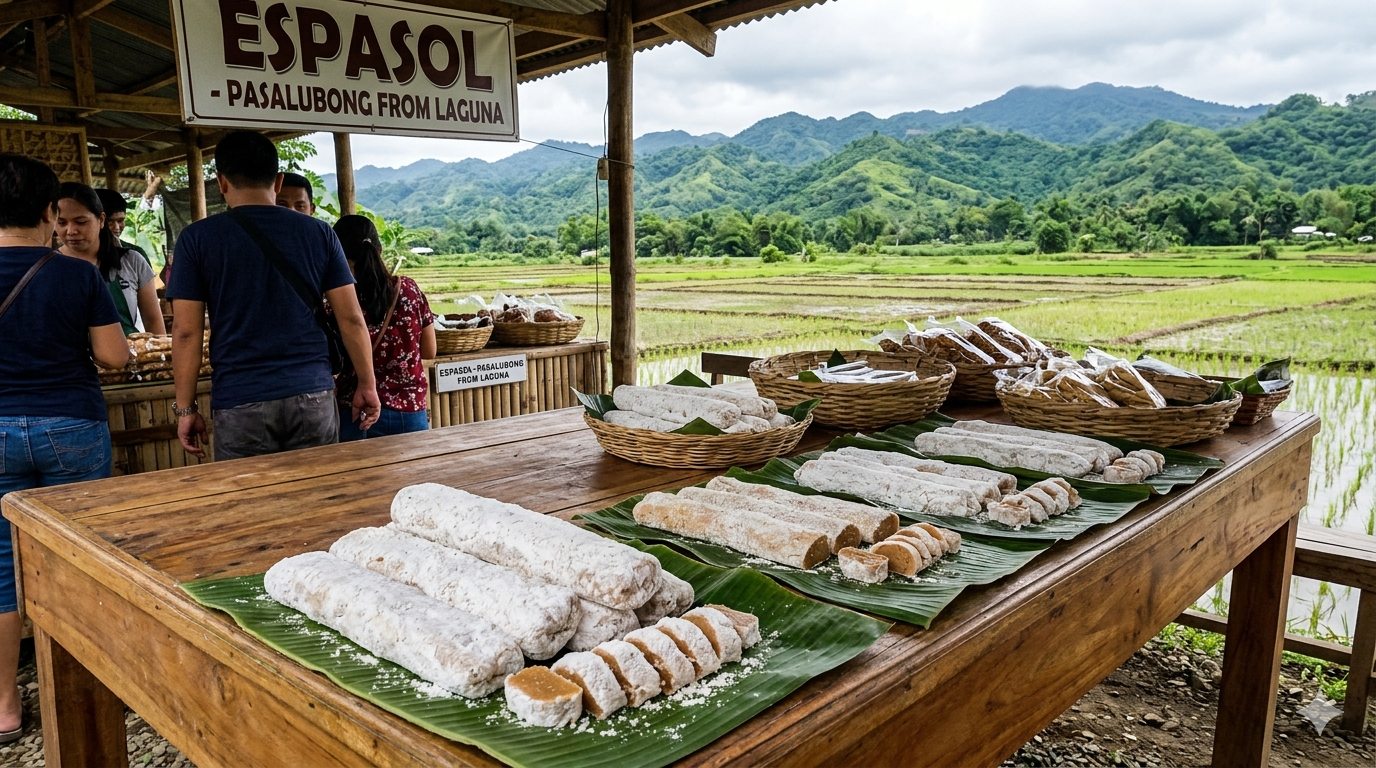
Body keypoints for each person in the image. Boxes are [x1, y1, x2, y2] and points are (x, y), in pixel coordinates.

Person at [0, 154, 130, 743]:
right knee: (83, 559)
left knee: (2, 570)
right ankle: (103, 686)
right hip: (71, 425)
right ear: (51, 213)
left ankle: (4, 707)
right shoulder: (77, 274)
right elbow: (114, 356)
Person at [167, 131, 380, 460]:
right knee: (319, 498)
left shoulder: (197, 239)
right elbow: (351, 318)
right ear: (278, 181)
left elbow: (185, 332)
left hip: (240, 399)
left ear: (221, 182)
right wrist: (367, 384)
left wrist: (185, 410)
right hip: (312, 392)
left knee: (251, 504)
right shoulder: (319, 232)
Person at [332, 215, 437, 440]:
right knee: (414, 475)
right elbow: (429, 350)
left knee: (358, 476)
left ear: (335, 254)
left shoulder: (337, 300)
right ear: (379, 250)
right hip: (410, 410)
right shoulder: (409, 290)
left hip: (357, 411)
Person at [57, 183, 166, 335]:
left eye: (80, 222)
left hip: (132, 353)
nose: (71, 231)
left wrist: (161, 355)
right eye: (61, 222)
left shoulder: (132, 260)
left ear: (101, 220)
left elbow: (153, 320)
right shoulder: (49, 267)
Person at [94, 188, 152, 266]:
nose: (117, 227)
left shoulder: (135, 253)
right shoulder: (83, 254)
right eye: (109, 221)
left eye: (120, 221)